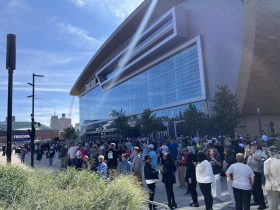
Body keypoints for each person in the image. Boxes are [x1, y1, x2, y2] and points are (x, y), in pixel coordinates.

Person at [244, 142, 266, 209]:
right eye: (250, 146)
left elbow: (258, 158)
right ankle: (256, 200)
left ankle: (262, 203)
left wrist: (251, 153)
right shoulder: (249, 152)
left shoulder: (258, 152)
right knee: (253, 188)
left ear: (256, 146)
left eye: (253, 146)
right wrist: (245, 151)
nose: (251, 147)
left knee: (258, 188)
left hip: (256, 172)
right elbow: (244, 158)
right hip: (249, 172)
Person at [264, 145, 280, 210]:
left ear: (270, 153)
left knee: (273, 206)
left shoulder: (267, 162)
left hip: (272, 187)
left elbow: (266, 174)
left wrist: (276, 184)